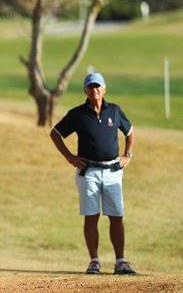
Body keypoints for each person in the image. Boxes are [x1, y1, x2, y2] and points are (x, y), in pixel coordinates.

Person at [50, 73, 136, 275]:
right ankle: (94, 261)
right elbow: (55, 133)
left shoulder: (114, 111)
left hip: (113, 170)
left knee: (116, 215)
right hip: (88, 172)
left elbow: (130, 132)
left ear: (104, 89)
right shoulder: (78, 114)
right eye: (90, 87)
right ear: (85, 91)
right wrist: (69, 157)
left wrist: (128, 155)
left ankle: (120, 262)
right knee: (91, 216)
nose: (94, 90)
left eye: (98, 86)